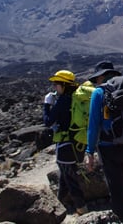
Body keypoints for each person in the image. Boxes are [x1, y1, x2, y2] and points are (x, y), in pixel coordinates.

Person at [84, 61, 123, 224]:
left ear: (101, 76)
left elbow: (93, 124)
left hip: (108, 148)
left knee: (117, 192)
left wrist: (89, 151)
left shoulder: (99, 93)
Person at [43, 70, 88, 215]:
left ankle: (82, 209)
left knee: (70, 179)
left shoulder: (63, 101)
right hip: (77, 142)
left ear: (63, 84)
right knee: (64, 176)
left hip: (65, 145)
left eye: (56, 84)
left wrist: (46, 105)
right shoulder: (76, 98)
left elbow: (48, 121)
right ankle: (59, 204)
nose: (55, 87)